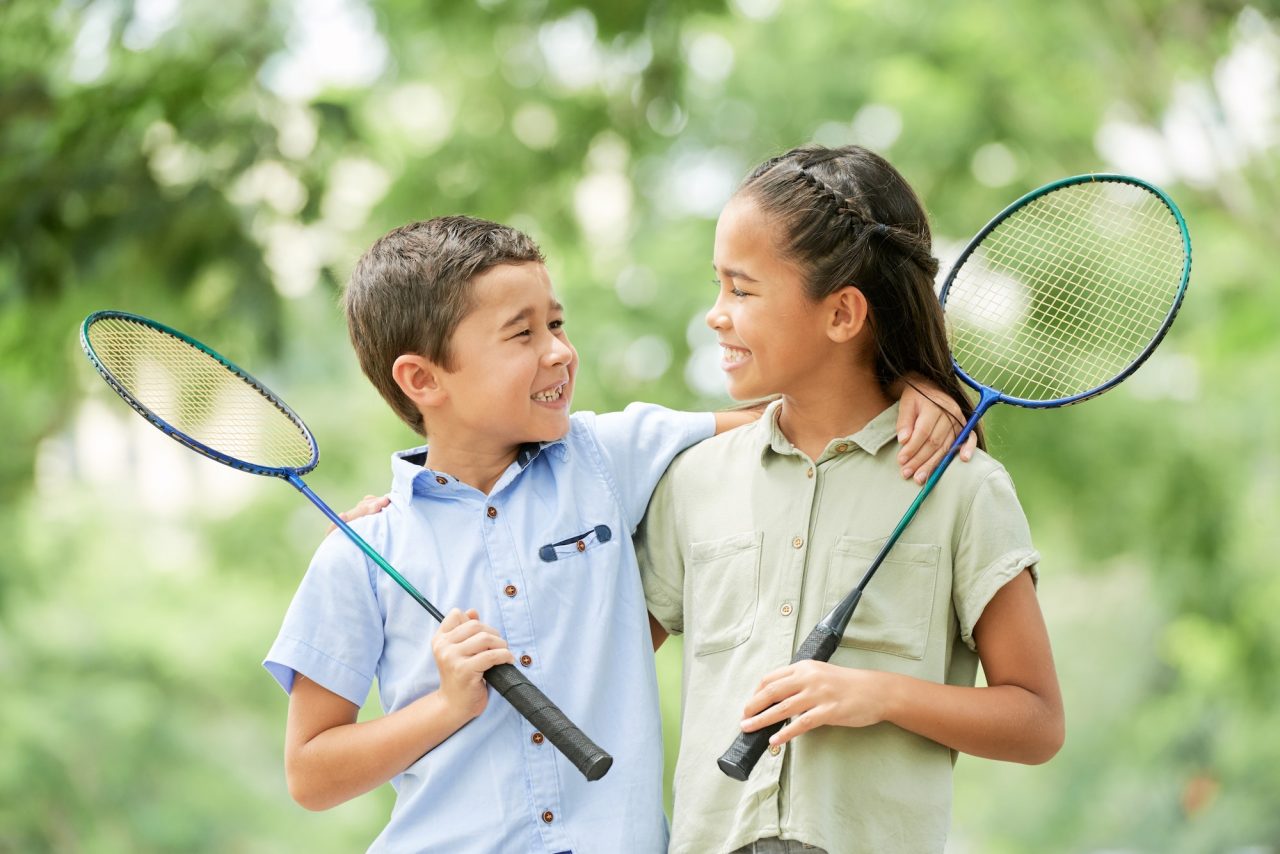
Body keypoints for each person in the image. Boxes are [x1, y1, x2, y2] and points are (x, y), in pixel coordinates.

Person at [262, 215, 969, 853]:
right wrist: (446, 707)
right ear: (422, 379)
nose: (559, 353)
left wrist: (906, 385)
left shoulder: (608, 455)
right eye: (522, 333)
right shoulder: (362, 554)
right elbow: (312, 774)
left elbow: (798, 416)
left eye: (557, 324)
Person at [636, 145, 1065, 854]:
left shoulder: (961, 488)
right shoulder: (693, 482)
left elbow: (1038, 721)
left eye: (742, 290)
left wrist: (879, 695)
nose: (715, 315)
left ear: (842, 314)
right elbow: (601, 656)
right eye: (717, 286)